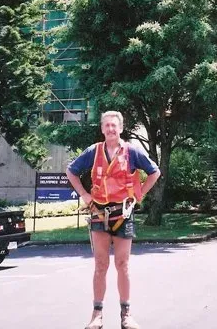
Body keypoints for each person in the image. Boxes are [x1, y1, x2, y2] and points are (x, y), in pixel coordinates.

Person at [66, 110, 161, 329]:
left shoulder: (132, 152)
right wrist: (85, 196)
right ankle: (96, 315)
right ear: (102, 129)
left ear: (120, 128)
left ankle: (126, 315)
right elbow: (72, 172)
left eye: (114, 125)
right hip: (99, 213)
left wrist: (139, 195)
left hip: (123, 215)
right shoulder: (94, 151)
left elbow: (154, 172)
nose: (110, 129)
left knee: (122, 264)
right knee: (100, 265)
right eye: (106, 125)